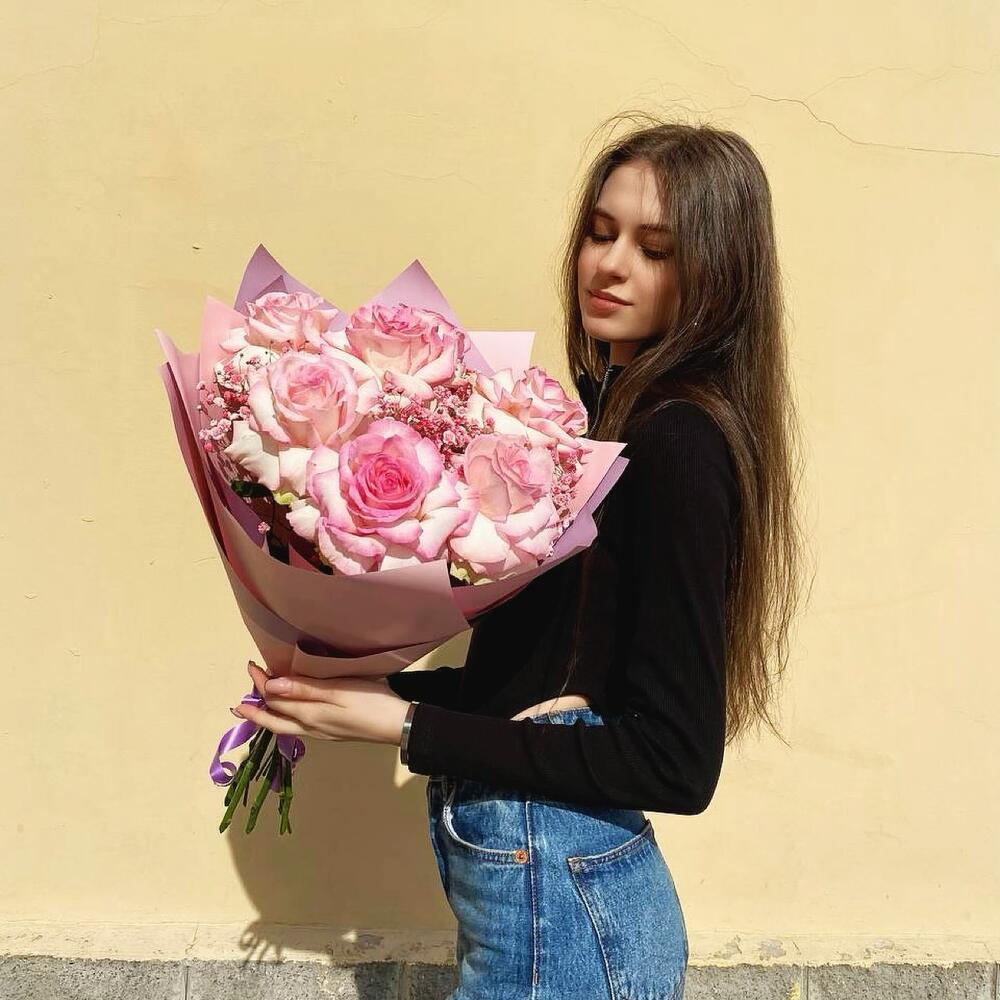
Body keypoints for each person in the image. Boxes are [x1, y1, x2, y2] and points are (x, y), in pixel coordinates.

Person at [236, 113, 807, 1000]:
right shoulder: (601, 423)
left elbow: (675, 760)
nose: (610, 265)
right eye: (601, 232)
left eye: (655, 249)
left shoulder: (677, 439)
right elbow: (545, 686)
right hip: (547, 904)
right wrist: (354, 687)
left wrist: (405, 727)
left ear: (717, 276)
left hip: (565, 921)